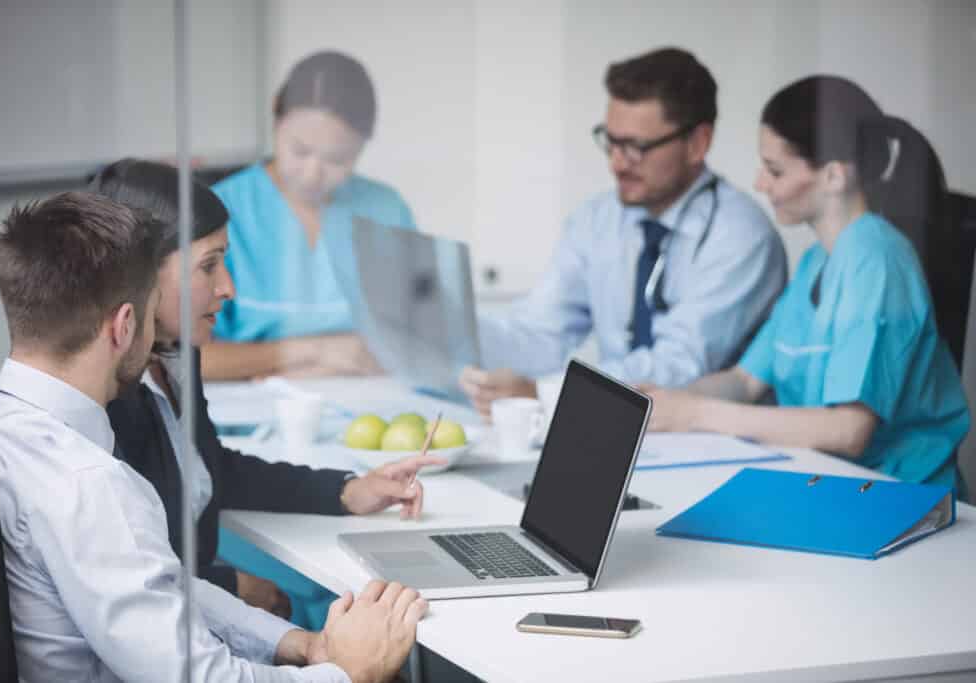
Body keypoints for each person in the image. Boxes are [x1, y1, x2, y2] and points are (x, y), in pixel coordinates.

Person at [0, 191, 427, 681]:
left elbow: (157, 584)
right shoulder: (91, 484)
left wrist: (296, 643)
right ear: (124, 326)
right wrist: (350, 673)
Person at [92, 159, 441, 630]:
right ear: (142, 276)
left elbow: (210, 468)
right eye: (209, 266)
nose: (228, 288)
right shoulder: (104, 395)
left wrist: (348, 490)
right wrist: (231, 586)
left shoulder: (173, 353)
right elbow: (122, 575)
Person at [642, 75, 970, 490]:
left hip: (897, 497)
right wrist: (663, 402)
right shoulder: (818, 261)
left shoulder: (878, 261)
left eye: (775, 170)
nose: (761, 184)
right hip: (831, 484)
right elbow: (746, 381)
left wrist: (694, 415)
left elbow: (848, 431)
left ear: (834, 175)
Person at [459, 47, 787, 416]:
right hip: (610, 426)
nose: (616, 163)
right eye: (611, 141)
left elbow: (677, 366)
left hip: (712, 442)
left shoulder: (741, 235)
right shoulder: (597, 219)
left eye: (635, 147)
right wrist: (454, 330)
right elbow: (541, 333)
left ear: (698, 143)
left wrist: (546, 393)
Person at [203, 50, 416, 382]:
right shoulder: (220, 210)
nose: (313, 173)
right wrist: (314, 352)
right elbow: (184, 360)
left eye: (338, 159)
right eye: (300, 150)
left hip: (370, 408)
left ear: (362, 148)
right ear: (276, 115)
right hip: (248, 416)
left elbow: (422, 342)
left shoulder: (387, 210)